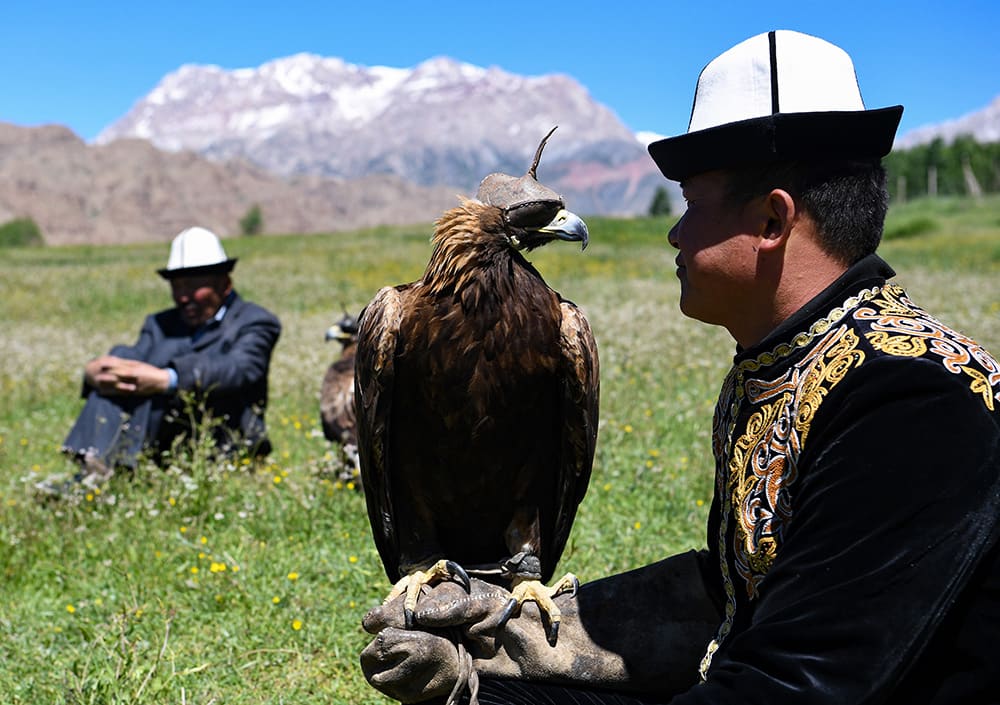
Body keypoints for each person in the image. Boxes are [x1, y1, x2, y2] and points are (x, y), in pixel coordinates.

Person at [358, 30, 1000, 705]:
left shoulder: (911, 397)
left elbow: (797, 686)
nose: (673, 231)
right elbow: (741, 599)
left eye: (691, 203)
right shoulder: (797, 360)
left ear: (773, 221)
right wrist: (499, 652)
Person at [55, 226, 281, 488]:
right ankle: (93, 469)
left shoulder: (255, 322)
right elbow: (131, 366)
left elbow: (238, 369)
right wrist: (95, 371)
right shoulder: (160, 324)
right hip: (162, 442)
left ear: (224, 284)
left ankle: (102, 479)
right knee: (119, 360)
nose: (183, 297)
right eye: (177, 286)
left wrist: (168, 379)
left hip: (221, 442)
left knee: (140, 375)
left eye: (194, 286)